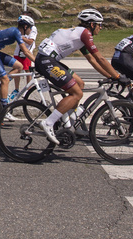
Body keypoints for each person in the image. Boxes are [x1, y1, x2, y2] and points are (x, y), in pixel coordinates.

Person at [35, 9, 122, 144]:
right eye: (99, 24)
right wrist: (117, 76)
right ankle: (48, 123)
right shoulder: (85, 34)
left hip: (49, 60)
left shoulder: (79, 33)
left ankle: (68, 121)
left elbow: (92, 60)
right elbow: (100, 58)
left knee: (80, 84)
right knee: (76, 93)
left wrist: (109, 76)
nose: (101, 27)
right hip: (46, 61)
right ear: (92, 24)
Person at [0, 15, 37, 105]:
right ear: (25, 26)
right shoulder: (16, 32)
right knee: (5, 80)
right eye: (30, 27)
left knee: (19, 66)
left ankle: (1, 87)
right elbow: (26, 52)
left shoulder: (16, 31)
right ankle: (4, 108)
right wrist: (37, 62)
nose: (30, 30)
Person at [11, 11, 37, 99]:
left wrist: (21, 37)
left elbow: (30, 42)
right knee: (16, 70)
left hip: (27, 52)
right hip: (18, 51)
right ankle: (16, 89)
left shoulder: (33, 29)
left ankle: (28, 89)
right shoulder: (19, 28)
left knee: (28, 71)